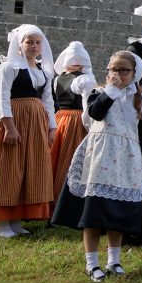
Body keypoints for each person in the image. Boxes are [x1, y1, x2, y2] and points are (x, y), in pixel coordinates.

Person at [52, 50, 142, 281]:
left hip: (127, 161)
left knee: (117, 211)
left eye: (124, 70)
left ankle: (114, 260)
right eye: (114, 69)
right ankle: (92, 263)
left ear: (134, 74)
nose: (118, 74)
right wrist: (111, 90)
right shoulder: (99, 93)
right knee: (94, 211)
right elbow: (95, 113)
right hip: (100, 158)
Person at [0, 25, 56, 237]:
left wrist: (52, 126)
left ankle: (16, 220)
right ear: (20, 44)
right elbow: (0, 98)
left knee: (28, 169)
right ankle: (1, 224)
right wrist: (9, 126)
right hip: (13, 121)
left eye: (37, 42)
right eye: (29, 42)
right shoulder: (8, 68)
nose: (34, 46)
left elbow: (48, 101)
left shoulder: (41, 71)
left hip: (35, 124)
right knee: (7, 168)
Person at [49, 42, 95, 207]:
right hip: (76, 121)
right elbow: (87, 107)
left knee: (59, 158)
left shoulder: (58, 79)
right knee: (71, 160)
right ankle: (68, 203)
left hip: (59, 118)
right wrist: (90, 128)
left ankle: (55, 200)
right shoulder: (85, 79)